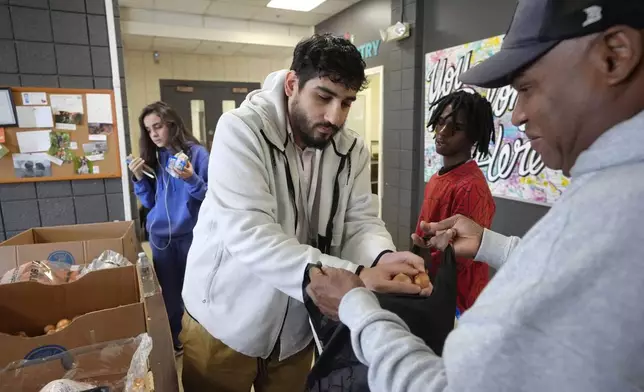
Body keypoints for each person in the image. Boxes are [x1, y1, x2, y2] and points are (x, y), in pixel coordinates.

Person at [306, 0, 644, 390]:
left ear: (614, 56)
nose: (517, 115)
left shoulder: (616, 214)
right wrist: (490, 245)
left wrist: (357, 308)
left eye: (527, 88)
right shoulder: (603, 192)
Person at [181, 34, 428, 392]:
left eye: (346, 103)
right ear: (293, 84)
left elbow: (360, 221)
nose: (335, 116)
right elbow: (250, 233)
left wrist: (382, 258)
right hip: (225, 319)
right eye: (324, 97)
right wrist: (357, 275)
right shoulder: (241, 130)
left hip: (299, 327)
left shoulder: (350, 148)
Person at [128, 101, 209, 355]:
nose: (153, 133)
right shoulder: (156, 157)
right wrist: (139, 178)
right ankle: (178, 340)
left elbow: (212, 198)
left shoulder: (197, 155)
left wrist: (190, 178)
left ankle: (201, 340)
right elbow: (152, 202)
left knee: (196, 292)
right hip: (161, 239)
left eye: (158, 126)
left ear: (172, 125)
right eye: (148, 129)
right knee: (170, 296)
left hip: (191, 237)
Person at [412, 90, 496, 313]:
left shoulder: (471, 187)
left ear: (473, 136)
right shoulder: (437, 177)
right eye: (441, 122)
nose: (443, 132)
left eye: (456, 128)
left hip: (460, 301)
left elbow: (461, 259)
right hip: (433, 288)